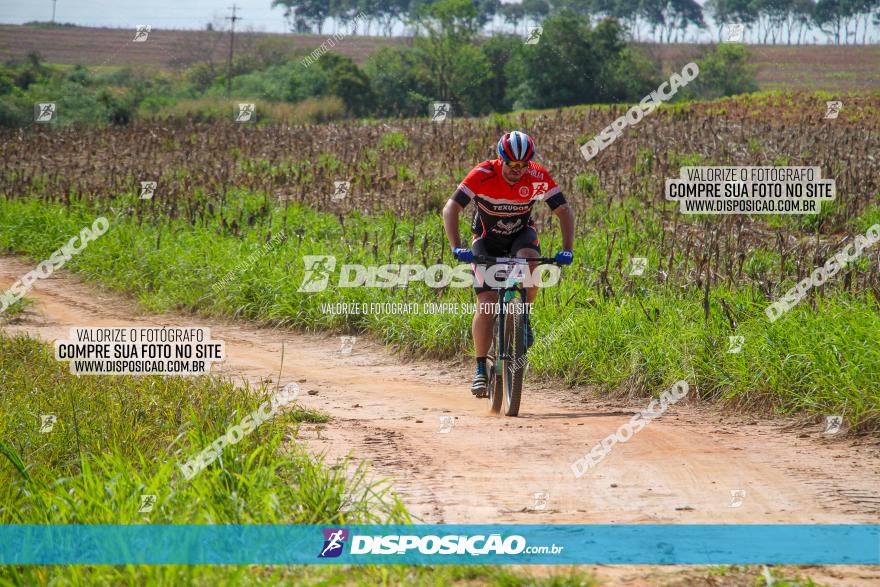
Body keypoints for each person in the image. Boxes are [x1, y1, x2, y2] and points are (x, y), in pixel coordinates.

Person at [442, 131, 574, 397]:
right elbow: (451, 209)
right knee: (488, 303)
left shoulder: (536, 176)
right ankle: (480, 368)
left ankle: (523, 317)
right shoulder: (483, 174)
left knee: (530, 262)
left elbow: (564, 211)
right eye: (512, 165)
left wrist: (567, 249)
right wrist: (457, 246)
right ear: (501, 159)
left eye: (523, 165)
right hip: (486, 241)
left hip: (520, 236)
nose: (518, 170)